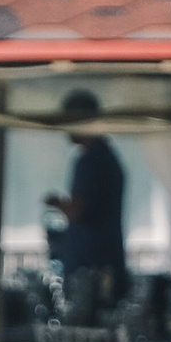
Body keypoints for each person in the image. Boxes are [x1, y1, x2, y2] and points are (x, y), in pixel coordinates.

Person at [45, 93, 127, 316]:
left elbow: (78, 211)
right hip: (103, 266)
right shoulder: (108, 157)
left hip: (89, 273)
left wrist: (57, 203)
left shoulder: (91, 161)